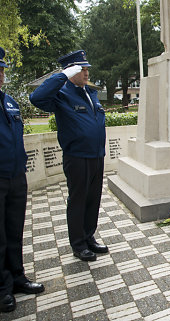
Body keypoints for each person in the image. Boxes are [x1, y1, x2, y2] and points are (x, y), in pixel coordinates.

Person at [30, 50, 108, 261]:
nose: (86, 73)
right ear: (70, 71)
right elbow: (36, 98)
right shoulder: (61, 94)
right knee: (78, 200)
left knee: (93, 199)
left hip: (96, 156)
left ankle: (89, 236)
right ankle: (78, 244)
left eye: (86, 69)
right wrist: (62, 76)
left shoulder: (90, 93)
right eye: (81, 69)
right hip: (77, 156)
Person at [0, 47, 44, 313]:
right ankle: (2, 288)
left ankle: (17, 277)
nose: (1, 74)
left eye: (2, 69)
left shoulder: (9, 101)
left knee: (15, 231)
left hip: (16, 176)